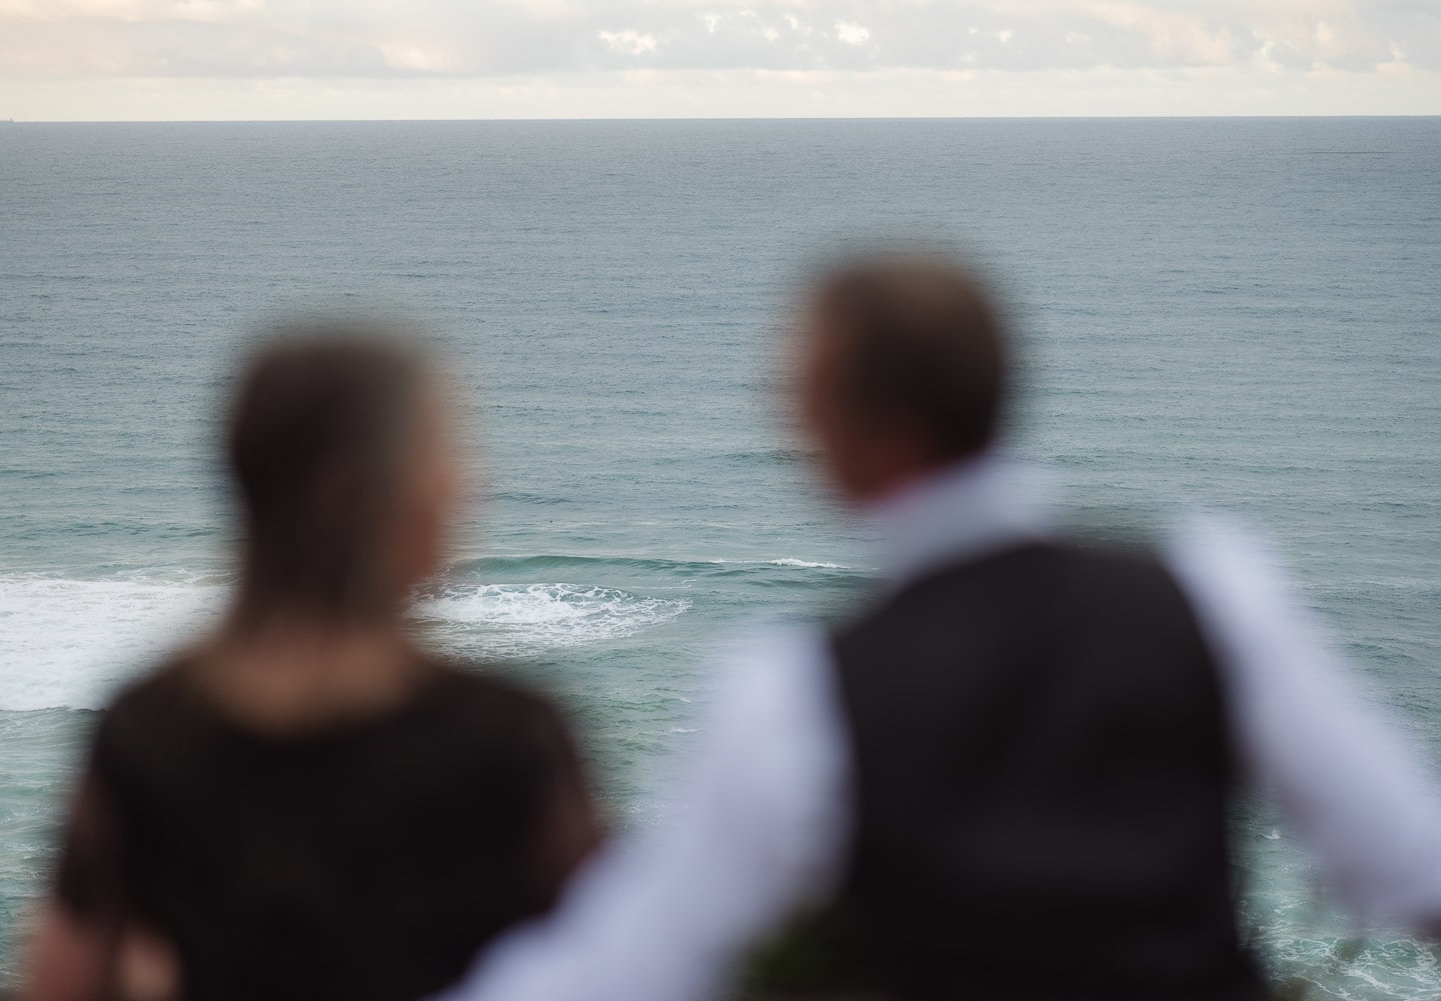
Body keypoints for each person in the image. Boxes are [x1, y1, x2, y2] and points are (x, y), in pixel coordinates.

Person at [424, 253, 1441, 1001]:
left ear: (852, 426)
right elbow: (1411, 861)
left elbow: (637, 960)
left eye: (798, 391)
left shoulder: (795, 687)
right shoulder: (1213, 588)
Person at [22, 327, 599, 1001]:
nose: (469, 482)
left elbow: (64, 974)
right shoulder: (506, 738)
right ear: (371, 495)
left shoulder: (147, 728)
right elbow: (615, 963)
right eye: (445, 454)